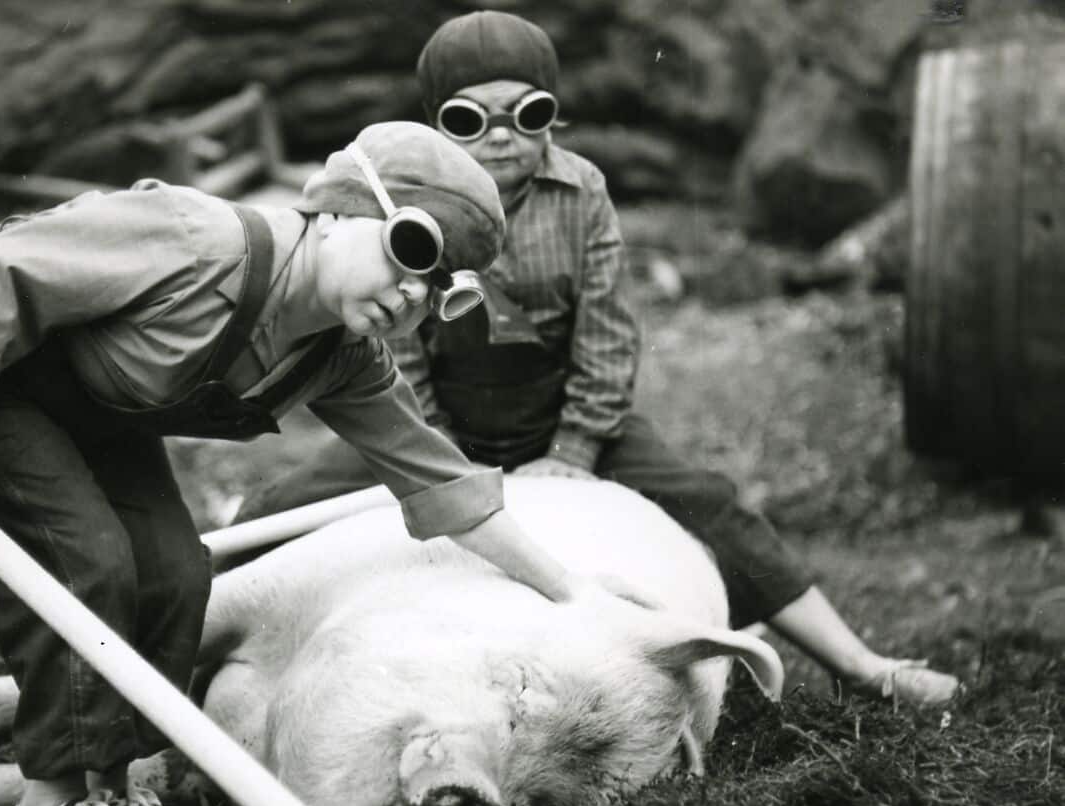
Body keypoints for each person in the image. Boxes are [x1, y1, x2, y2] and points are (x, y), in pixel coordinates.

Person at [0, 120, 609, 806]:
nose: (412, 296)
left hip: (88, 405)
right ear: (334, 209)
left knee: (175, 572)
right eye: (411, 251)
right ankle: (49, 803)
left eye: (443, 290)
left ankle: (112, 789)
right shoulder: (198, 240)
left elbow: (445, 486)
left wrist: (573, 595)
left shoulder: (344, 357)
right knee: (87, 557)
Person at [235, 12, 960, 711]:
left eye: (527, 114)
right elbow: (393, 348)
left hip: (564, 412)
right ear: (434, 125)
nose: (499, 138)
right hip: (437, 421)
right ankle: (161, 666)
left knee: (710, 503)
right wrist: (437, 450)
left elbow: (607, 335)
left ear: (554, 115)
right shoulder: (412, 203)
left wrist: (575, 450)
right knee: (273, 510)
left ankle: (861, 666)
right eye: (467, 120)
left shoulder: (582, 192)